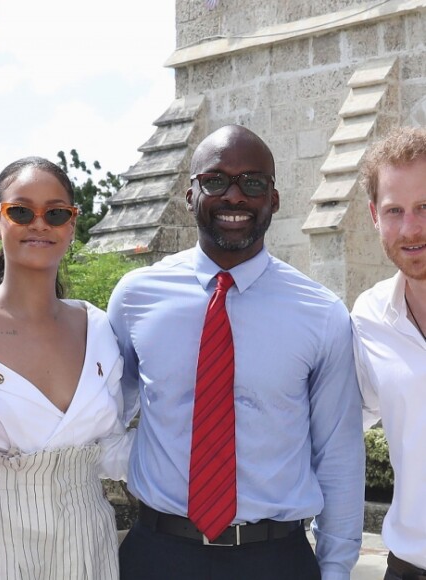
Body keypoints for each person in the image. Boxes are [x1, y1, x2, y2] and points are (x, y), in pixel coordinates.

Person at [107, 124, 365, 580]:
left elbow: (339, 454)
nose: (235, 196)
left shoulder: (321, 313)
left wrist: (337, 569)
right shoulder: (135, 297)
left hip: (276, 559)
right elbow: (105, 416)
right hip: (157, 554)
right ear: (190, 195)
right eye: (215, 180)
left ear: (274, 198)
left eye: (253, 182)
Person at [0, 156, 134, 580]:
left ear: (72, 224)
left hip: (88, 544)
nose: (39, 224)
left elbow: (112, 448)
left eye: (55, 213)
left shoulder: (101, 328)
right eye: (21, 211)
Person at [351, 126, 426, 580]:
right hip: (406, 568)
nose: (411, 228)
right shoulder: (369, 317)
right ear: (374, 215)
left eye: (425, 207)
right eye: (395, 210)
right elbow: (335, 428)